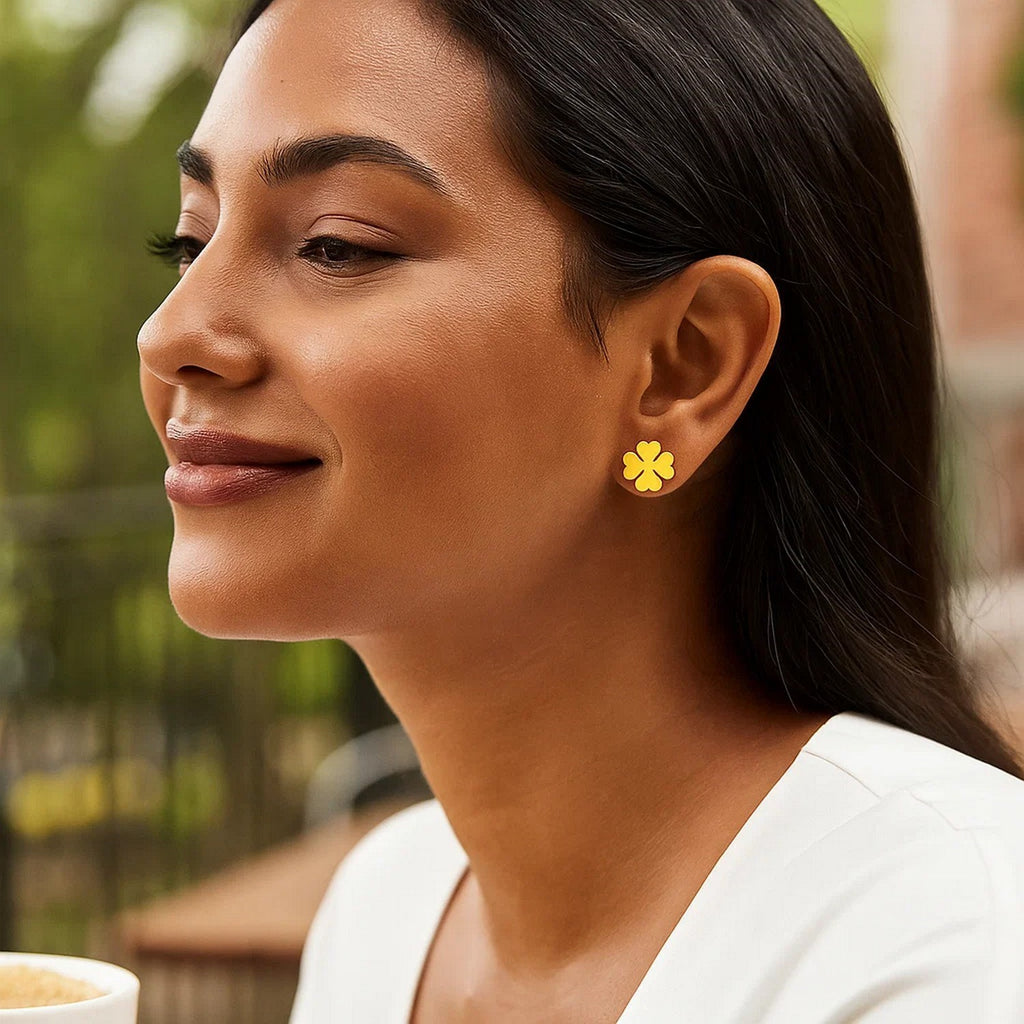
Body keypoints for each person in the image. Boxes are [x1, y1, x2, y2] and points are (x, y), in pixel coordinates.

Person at [136, 0, 1024, 1020]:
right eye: (189, 241)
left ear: (683, 365)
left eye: (337, 245)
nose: (173, 332)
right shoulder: (386, 913)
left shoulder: (947, 941)